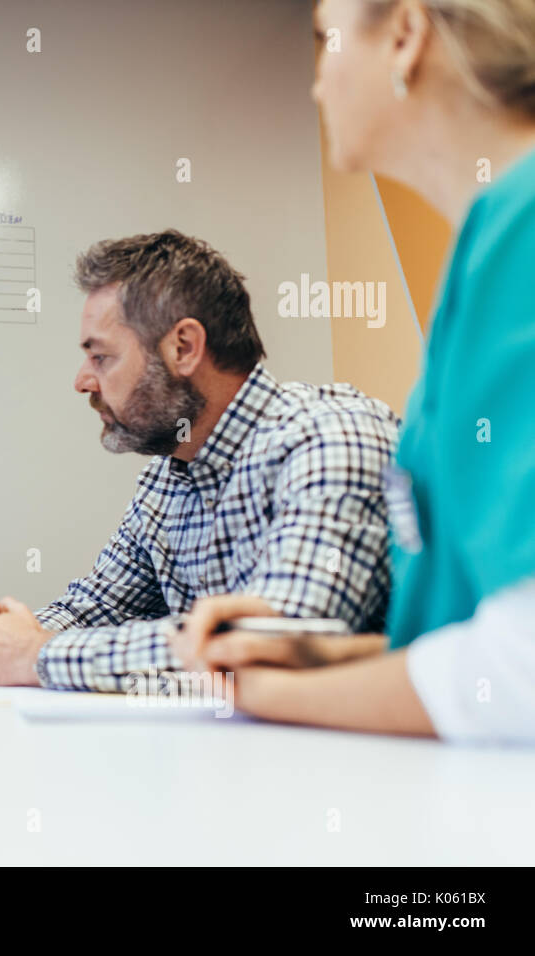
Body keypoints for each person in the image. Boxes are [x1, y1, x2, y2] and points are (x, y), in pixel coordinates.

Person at [171, 0, 535, 745]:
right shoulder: (488, 246)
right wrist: (323, 655)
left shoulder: (521, 236)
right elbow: (484, 629)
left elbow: (519, 674)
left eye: (321, 42)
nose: (315, 84)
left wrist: (267, 695)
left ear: (404, 36)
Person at [0, 230, 401, 689]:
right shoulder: (167, 475)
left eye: (100, 356)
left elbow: (280, 641)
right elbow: (96, 606)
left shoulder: (330, 437)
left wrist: (36, 656)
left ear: (184, 348)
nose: (82, 381)